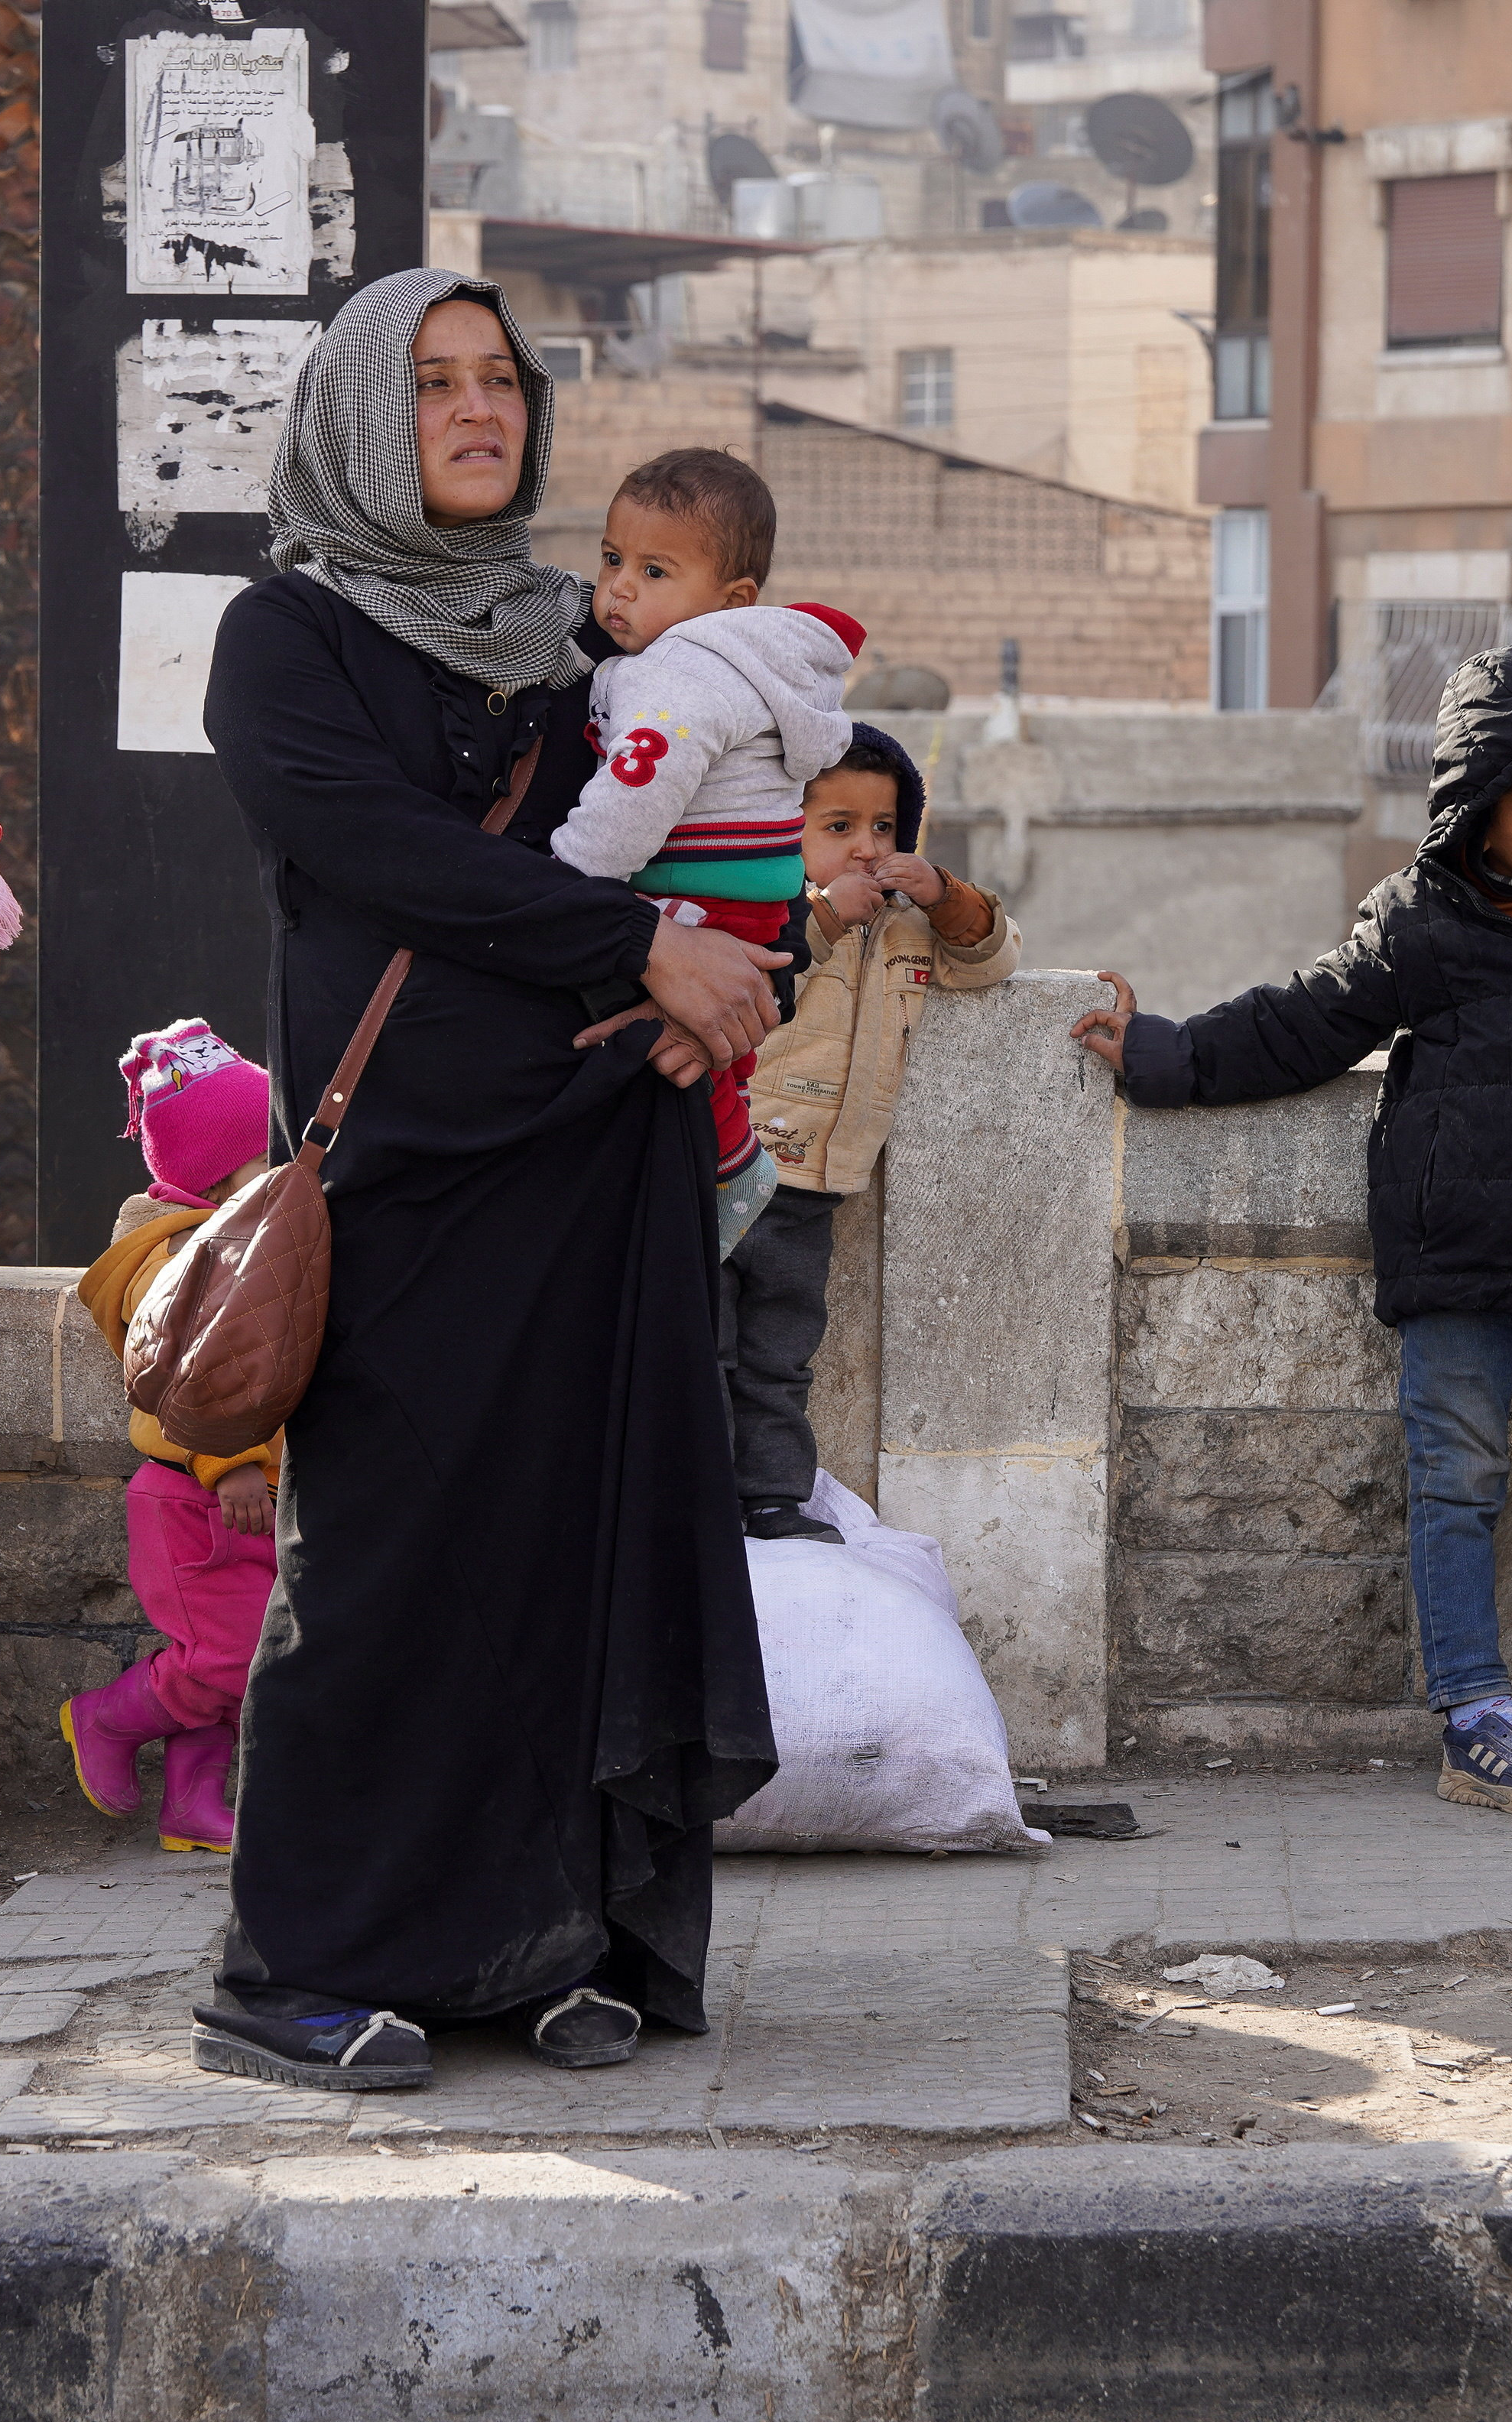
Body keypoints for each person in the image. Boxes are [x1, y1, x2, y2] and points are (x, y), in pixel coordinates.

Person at [193, 267, 779, 2092]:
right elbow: (375, 852)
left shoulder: (584, 637)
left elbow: (743, 814)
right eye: (432, 381)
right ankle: (296, 1963)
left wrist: (729, 976)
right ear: (362, 418)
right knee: (383, 1561)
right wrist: (639, 944)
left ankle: (543, 1944)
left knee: (568, 1553)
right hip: (408, 1168)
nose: (475, 409)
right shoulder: (284, 637)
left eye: (500, 380)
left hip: (597, 1156)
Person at [1072, 646, 1512, 1829]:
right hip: (1456, 1260)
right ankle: (1477, 1715)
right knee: (1455, 1482)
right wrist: (1165, 1054)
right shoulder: (1422, 921)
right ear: (1484, 817)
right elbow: (1305, 1022)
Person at [550, 446, 863, 1257]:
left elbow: (638, 790)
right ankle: (725, 1159)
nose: (619, 588)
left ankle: (732, 1168)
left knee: (661, 1034)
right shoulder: (746, 666)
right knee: (717, 1051)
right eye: (612, 559)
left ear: (733, 599)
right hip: (750, 894)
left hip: (697, 888)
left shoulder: (682, 673)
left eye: (655, 571)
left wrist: (568, 880)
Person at [726, 726, 1018, 1541]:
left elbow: (991, 959)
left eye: (884, 828)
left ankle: (772, 1498)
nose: (866, 848)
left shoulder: (902, 926)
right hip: (729, 1163)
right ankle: (691, 1496)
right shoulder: (762, 908)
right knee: (699, 1345)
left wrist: (943, 894)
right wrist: (822, 916)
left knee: (780, 1355)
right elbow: (759, 968)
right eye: (838, 826)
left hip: (811, 1188)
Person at [62, 1020, 282, 1853]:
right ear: (217, 1177)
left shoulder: (249, 1237)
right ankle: (106, 1719)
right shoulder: (177, 1259)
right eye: (268, 1157)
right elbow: (185, 1368)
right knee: (228, 1658)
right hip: (197, 1494)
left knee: (232, 1654)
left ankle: (191, 1804)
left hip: (247, 1492)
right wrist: (231, 1462)